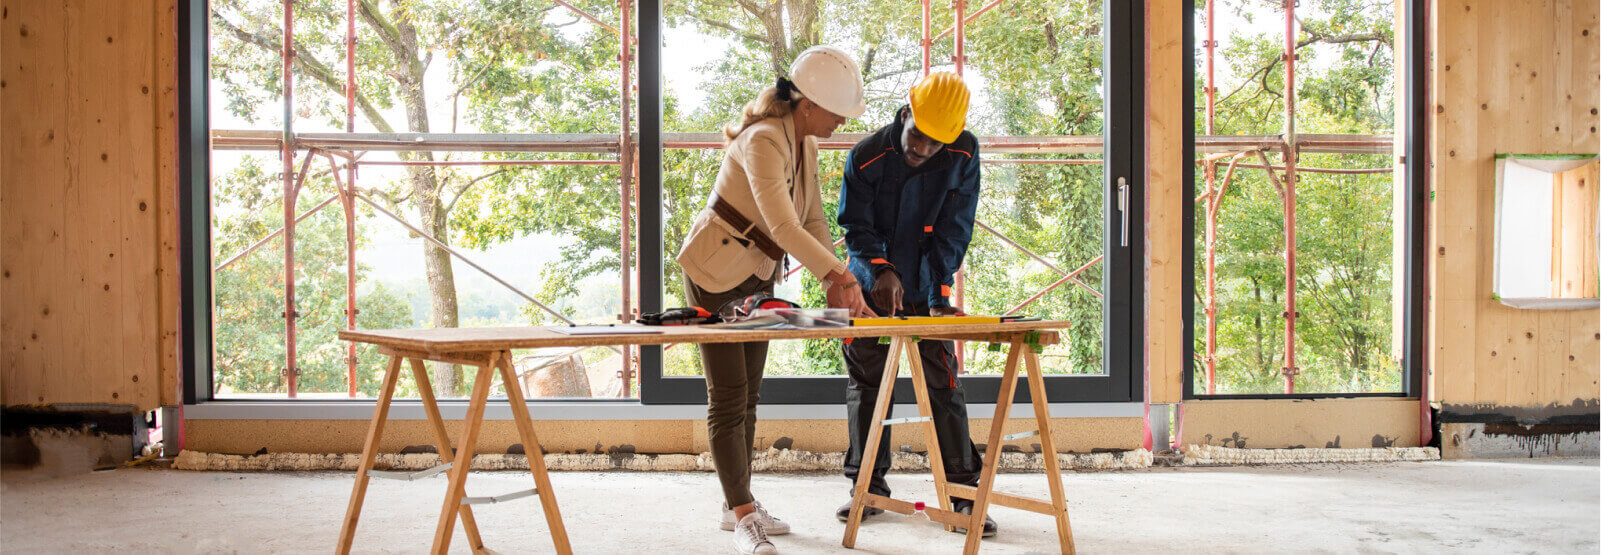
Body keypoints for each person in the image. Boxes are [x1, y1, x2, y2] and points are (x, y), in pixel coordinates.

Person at [676, 45, 877, 555]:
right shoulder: (764, 139)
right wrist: (839, 277)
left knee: (749, 396)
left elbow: (809, 221)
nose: (840, 122)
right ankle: (742, 516)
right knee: (727, 396)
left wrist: (841, 279)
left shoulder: (803, 141)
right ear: (807, 103)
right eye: (836, 112)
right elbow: (784, 225)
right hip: (715, 271)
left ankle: (735, 502)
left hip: (756, 276)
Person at [832, 71, 996, 537]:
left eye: (934, 144)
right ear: (906, 114)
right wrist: (882, 270)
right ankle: (867, 489)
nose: (923, 149)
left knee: (942, 383)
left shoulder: (963, 152)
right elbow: (856, 227)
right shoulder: (866, 157)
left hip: (927, 283)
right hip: (869, 285)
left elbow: (955, 226)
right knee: (868, 384)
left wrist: (939, 290)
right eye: (918, 136)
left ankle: (965, 497)